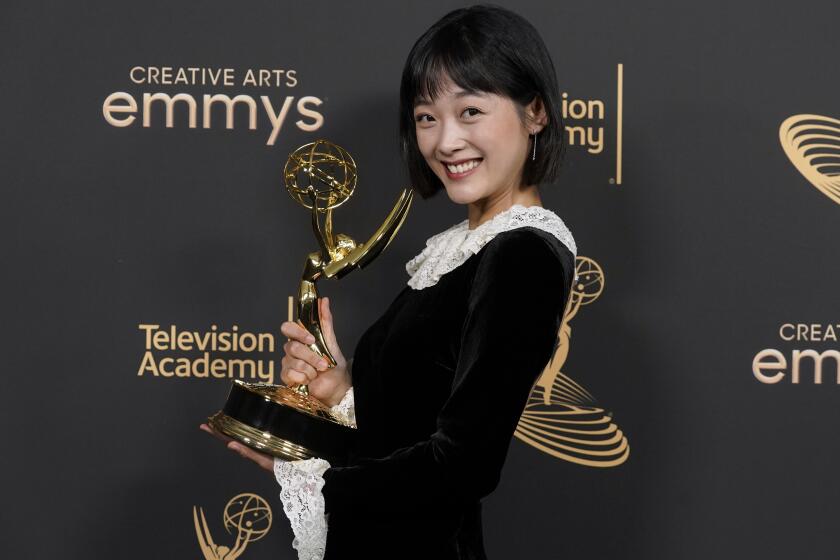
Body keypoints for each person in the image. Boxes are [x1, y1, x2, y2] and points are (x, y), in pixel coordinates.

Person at [200, 4, 578, 559]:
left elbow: (461, 466)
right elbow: (408, 432)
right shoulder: (464, 247)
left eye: (470, 111)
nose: (445, 142)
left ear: (536, 112)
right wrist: (342, 397)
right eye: (426, 117)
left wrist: (316, 487)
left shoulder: (523, 255)